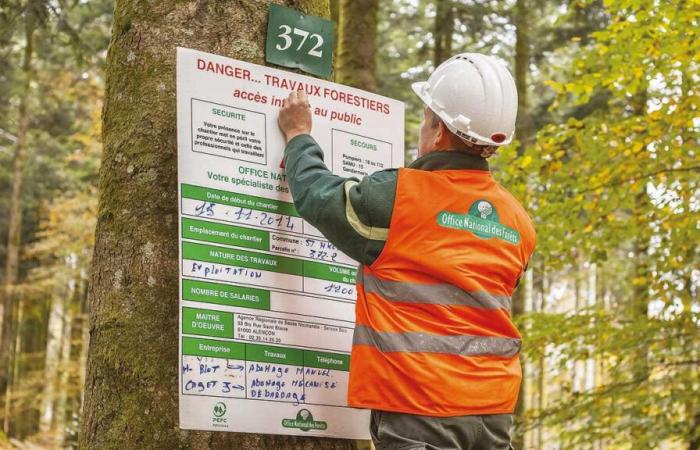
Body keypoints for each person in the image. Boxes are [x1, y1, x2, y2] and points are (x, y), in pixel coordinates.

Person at [277, 53, 536, 450]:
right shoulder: (517, 222)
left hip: (421, 406)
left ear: (437, 129)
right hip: (493, 413)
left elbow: (317, 196)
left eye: (427, 115)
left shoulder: (400, 196)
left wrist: (298, 136)